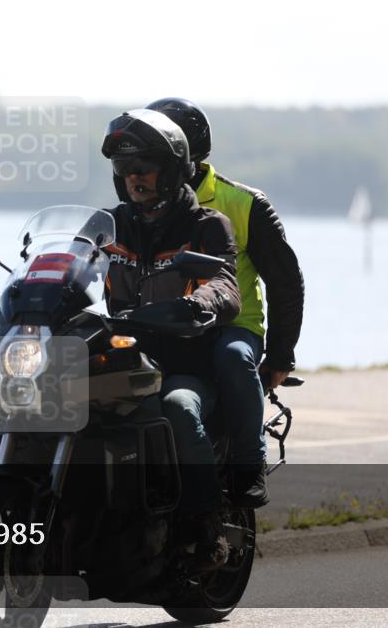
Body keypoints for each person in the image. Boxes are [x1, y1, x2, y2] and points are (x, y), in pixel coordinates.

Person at [145, 98, 305, 507]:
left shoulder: (242, 203)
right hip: (165, 324)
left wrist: (281, 354)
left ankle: (248, 462)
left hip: (233, 324)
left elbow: (286, 282)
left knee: (233, 356)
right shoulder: (141, 205)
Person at [101, 108, 242, 570]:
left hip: (183, 364)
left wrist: (203, 301)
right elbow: (63, 266)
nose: (133, 177)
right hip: (120, 363)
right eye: (124, 169)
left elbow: (225, 283)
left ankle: (207, 525)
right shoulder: (107, 225)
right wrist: (26, 291)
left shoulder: (206, 225)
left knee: (179, 409)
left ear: (174, 166)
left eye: (143, 166)